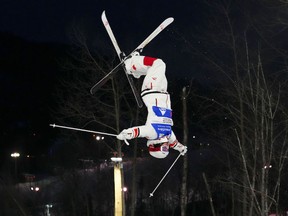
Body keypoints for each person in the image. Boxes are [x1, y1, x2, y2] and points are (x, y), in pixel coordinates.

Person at [116, 53, 187, 159]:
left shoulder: (153, 133)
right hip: (163, 92)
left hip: (152, 90)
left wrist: (127, 134)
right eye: (167, 149)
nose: (166, 146)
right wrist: (181, 148)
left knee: (158, 64)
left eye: (163, 148)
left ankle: (129, 63)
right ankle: (136, 71)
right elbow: (174, 143)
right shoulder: (167, 136)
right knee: (155, 68)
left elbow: (138, 131)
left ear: (155, 145)